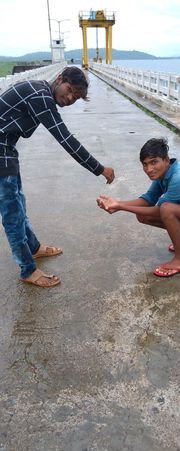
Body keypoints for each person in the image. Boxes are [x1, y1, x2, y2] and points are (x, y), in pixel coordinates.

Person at [0, 66, 115, 287]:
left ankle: (33, 248)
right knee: (12, 215)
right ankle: (27, 270)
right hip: (1, 150)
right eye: (69, 90)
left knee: (18, 203)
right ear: (60, 79)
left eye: (76, 97)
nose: (70, 98)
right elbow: (66, 140)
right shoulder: (41, 96)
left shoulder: (41, 93)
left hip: (6, 148)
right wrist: (99, 168)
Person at [97, 137, 180, 277]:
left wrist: (121, 207)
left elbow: (159, 210)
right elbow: (148, 199)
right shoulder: (164, 173)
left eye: (154, 162)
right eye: (145, 164)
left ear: (166, 160)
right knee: (143, 215)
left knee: (167, 209)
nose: (149, 169)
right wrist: (117, 202)